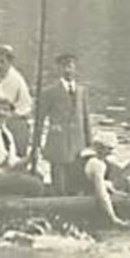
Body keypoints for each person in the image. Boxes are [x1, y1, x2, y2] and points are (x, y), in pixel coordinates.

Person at [37, 51, 92, 195]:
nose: (68, 69)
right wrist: (37, 145)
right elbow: (40, 120)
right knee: (59, 180)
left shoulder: (82, 91)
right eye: (64, 66)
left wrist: (89, 143)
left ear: (75, 68)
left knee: (75, 176)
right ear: (58, 69)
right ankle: (58, 201)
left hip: (77, 143)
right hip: (58, 142)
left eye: (71, 65)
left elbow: (86, 119)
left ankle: (73, 200)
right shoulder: (49, 92)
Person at [0, 44, 34, 156]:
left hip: (16, 125)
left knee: (13, 160)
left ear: (9, 62)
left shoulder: (11, 79)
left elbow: (2, 108)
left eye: (2, 62)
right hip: (14, 122)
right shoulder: (6, 78)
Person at [78, 133, 129, 226]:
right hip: (88, 196)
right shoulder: (98, 165)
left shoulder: (90, 160)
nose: (111, 152)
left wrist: (114, 191)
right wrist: (113, 217)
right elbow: (101, 194)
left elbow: (100, 183)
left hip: (82, 189)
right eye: (109, 149)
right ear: (101, 149)